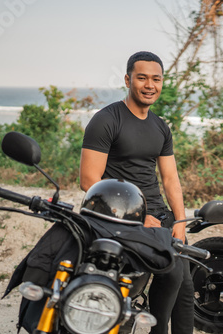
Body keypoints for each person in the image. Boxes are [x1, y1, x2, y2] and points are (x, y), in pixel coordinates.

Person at [79, 51, 193, 334]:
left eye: (156, 79)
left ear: (162, 82)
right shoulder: (106, 119)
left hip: (158, 215)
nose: (149, 85)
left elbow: (170, 179)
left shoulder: (160, 127)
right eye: (142, 78)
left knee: (186, 289)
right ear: (128, 79)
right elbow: (88, 180)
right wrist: (135, 219)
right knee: (173, 270)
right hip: (121, 216)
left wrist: (179, 222)